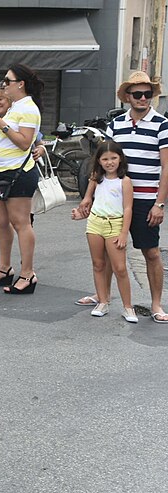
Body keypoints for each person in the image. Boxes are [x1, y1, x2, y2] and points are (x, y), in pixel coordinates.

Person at [76, 71, 168, 323]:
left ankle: (157, 304)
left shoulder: (161, 124)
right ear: (127, 96)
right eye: (137, 94)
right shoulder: (116, 124)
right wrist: (88, 197)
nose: (143, 98)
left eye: (147, 94)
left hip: (147, 200)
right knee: (105, 253)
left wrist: (160, 204)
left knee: (151, 253)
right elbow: (102, 160)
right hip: (113, 198)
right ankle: (101, 295)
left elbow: (166, 167)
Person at [0, 64, 44, 294]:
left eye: (8, 80)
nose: (4, 84)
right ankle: (4, 267)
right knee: (0, 220)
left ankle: (28, 274)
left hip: (19, 172)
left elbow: (24, 142)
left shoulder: (29, 108)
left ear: (21, 84)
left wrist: (3, 124)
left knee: (21, 222)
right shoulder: (15, 107)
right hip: (1, 171)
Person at [71, 141, 137, 322]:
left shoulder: (125, 181)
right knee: (98, 264)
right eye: (105, 159)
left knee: (120, 268)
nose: (110, 162)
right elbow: (90, 201)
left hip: (115, 225)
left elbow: (128, 209)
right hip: (94, 224)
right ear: (99, 161)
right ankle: (102, 301)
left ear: (120, 159)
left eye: (114, 158)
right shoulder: (96, 179)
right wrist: (80, 213)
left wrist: (124, 233)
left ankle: (128, 307)